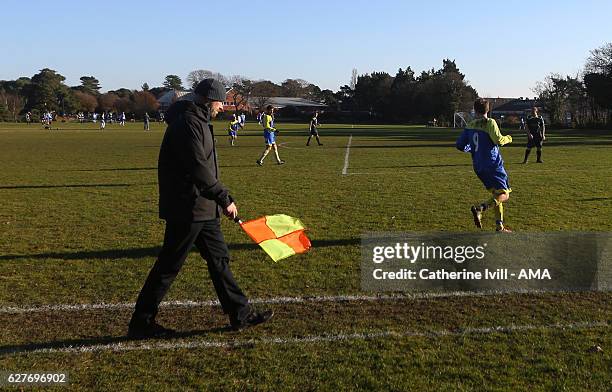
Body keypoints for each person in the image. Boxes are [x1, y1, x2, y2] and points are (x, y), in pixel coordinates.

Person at [128, 79, 273, 339]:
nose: (222, 107)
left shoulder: (199, 119)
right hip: (188, 207)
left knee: (219, 260)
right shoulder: (188, 123)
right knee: (169, 266)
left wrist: (218, 199)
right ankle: (141, 322)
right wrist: (223, 197)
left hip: (203, 208)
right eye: (221, 102)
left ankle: (240, 314)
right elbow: (198, 168)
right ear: (209, 100)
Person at [456, 98, 513, 233]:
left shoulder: (470, 125)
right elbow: (498, 140)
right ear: (488, 110)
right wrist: (508, 138)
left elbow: (459, 145)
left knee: (496, 194)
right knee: (505, 194)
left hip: (478, 166)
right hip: (493, 164)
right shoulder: (490, 123)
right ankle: (480, 208)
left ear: (475, 110)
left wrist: (473, 149)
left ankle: (499, 226)